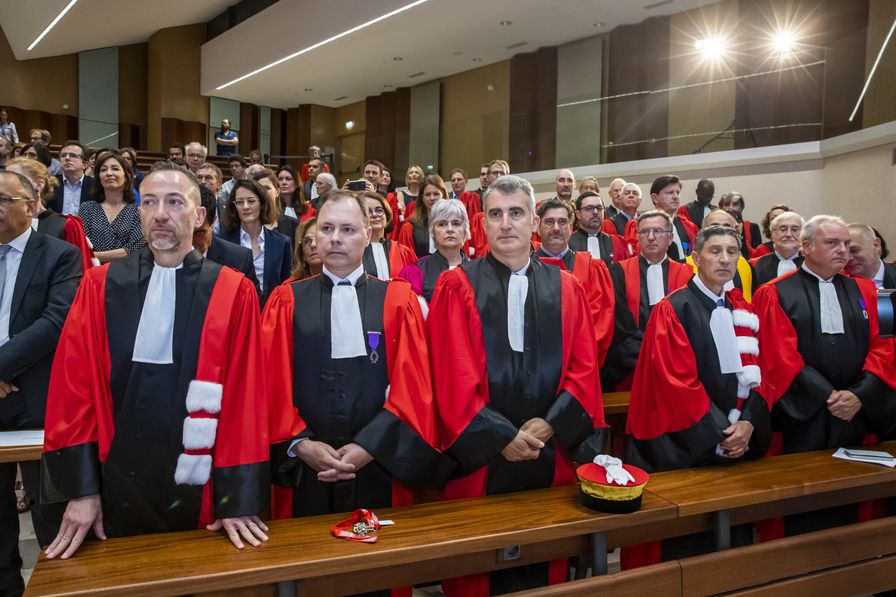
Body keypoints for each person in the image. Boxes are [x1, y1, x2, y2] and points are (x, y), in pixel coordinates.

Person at [41, 162, 271, 561]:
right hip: (112, 478)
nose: (161, 213)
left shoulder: (234, 291)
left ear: (199, 215)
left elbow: (244, 399)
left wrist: (236, 497)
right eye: (149, 202)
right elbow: (72, 391)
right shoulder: (99, 286)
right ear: (139, 213)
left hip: (199, 487)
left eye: (174, 202)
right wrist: (81, 489)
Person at [428, 175, 606, 596]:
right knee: (478, 571)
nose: (506, 224)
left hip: (550, 448)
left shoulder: (567, 287)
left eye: (516, 213)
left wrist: (550, 425)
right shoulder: (456, 286)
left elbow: (585, 367)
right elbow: (450, 377)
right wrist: (501, 437)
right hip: (480, 459)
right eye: (495, 214)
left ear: (534, 224)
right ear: (483, 225)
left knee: (546, 565)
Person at [262, 191, 453, 528]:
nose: (335, 239)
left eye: (348, 230)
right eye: (327, 229)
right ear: (314, 234)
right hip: (306, 465)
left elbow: (413, 387)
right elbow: (269, 384)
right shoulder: (285, 300)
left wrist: (370, 446)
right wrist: (301, 444)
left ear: (368, 234)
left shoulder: (397, 301)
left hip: (379, 462)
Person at [624, 225, 770, 567]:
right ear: (694, 258)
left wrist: (748, 424)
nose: (724, 259)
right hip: (690, 448)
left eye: (732, 252)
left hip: (736, 443)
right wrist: (724, 435)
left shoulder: (743, 308)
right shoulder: (673, 309)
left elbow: (761, 374)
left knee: (733, 553)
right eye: (714, 251)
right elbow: (676, 384)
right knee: (687, 555)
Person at [753, 215, 896, 535]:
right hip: (804, 412)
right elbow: (779, 354)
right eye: (832, 243)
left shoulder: (869, 292)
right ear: (806, 247)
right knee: (801, 500)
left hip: (856, 409)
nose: (843, 250)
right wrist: (828, 396)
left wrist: (859, 395)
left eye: (846, 244)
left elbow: (886, 347)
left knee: (850, 493)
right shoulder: (774, 293)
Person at [0, 171, 81, 595]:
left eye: (2, 200)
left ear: (30, 206)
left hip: (35, 400)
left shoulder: (60, 255)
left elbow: (55, 322)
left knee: (50, 513)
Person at [534, 197, 615, 365]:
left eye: (562, 222)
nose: (556, 228)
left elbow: (600, 325)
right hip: (535, 367)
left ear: (571, 228)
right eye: (549, 222)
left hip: (580, 364)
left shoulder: (592, 268)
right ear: (537, 227)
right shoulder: (522, 269)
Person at [6, 157, 97, 272]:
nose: (7, 185)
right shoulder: (4, 224)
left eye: (16, 178)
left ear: (39, 184)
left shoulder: (66, 225)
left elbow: (82, 271)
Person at [610, 210, 693, 333]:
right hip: (633, 349)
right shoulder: (619, 271)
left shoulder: (686, 273)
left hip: (676, 346)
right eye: (644, 232)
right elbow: (620, 322)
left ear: (670, 238)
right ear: (638, 237)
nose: (650, 237)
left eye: (657, 231)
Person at [217, 179, 292, 307]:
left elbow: (286, 285)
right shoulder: (222, 242)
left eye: (251, 201)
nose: (245, 206)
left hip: (271, 315)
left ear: (262, 203)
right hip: (235, 313)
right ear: (234, 206)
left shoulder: (281, 242)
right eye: (240, 202)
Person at [190, 181, 259, 293]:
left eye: (199, 233)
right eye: (186, 233)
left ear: (213, 221)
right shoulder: (162, 258)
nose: (191, 241)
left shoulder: (239, 259)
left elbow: (253, 304)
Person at [398, 198, 469, 304]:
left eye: (456, 223)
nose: (450, 229)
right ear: (432, 232)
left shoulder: (480, 272)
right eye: (442, 224)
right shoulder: (414, 273)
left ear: (465, 230)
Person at [78, 150, 145, 263]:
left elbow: (134, 249)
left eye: (115, 168)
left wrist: (92, 256)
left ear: (127, 176)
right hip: (92, 273)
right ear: (98, 177)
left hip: (128, 273)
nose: (109, 173)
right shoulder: (86, 208)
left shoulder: (138, 211)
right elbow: (82, 246)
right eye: (103, 170)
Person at [625, 175, 698, 262]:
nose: (675, 197)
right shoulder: (638, 226)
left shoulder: (689, 227)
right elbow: (635, 259)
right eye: (670, 193)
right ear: (655, 198)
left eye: (677, 193)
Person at [685, 209, 754, 302]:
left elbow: (746, 303)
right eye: (714, 227)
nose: (721, 232)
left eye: (727, 227)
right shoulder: (684, 267)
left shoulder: (743, 265)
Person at [362, 191, 415, 281]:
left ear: (386, 215)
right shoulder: (353, 252)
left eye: (379, 210)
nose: (374, 215)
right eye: (368, 211)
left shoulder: (403, 252)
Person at [568, 191, 628, 264]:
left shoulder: (617, 242)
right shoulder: (567, 243)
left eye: (599, 208)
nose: (595, 212)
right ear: (578, 214)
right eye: (589, 208)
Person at [398, 173, 448, 258]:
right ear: (422, 198)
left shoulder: (454, 224)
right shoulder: (409, 227)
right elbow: (406, 260)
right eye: (428, 194)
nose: (432, 198)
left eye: (436, 194)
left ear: (443, 195)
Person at [752, 211, 804, 287]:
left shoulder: (811, 266)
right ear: (773, 234)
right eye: (783, 229)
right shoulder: (757, 265)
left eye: (794, 229)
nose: (788, 234)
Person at [50, 141, 94, 215]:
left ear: (85, 164)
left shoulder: (95, 185)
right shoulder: (51, 183)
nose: (67, 158)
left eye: (73, 155)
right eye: (63, 155)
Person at [846, 223, 896, 288]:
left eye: (854, 250)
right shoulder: (834, 285)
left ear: (876, 245)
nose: (848, 258)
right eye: (842, 253)